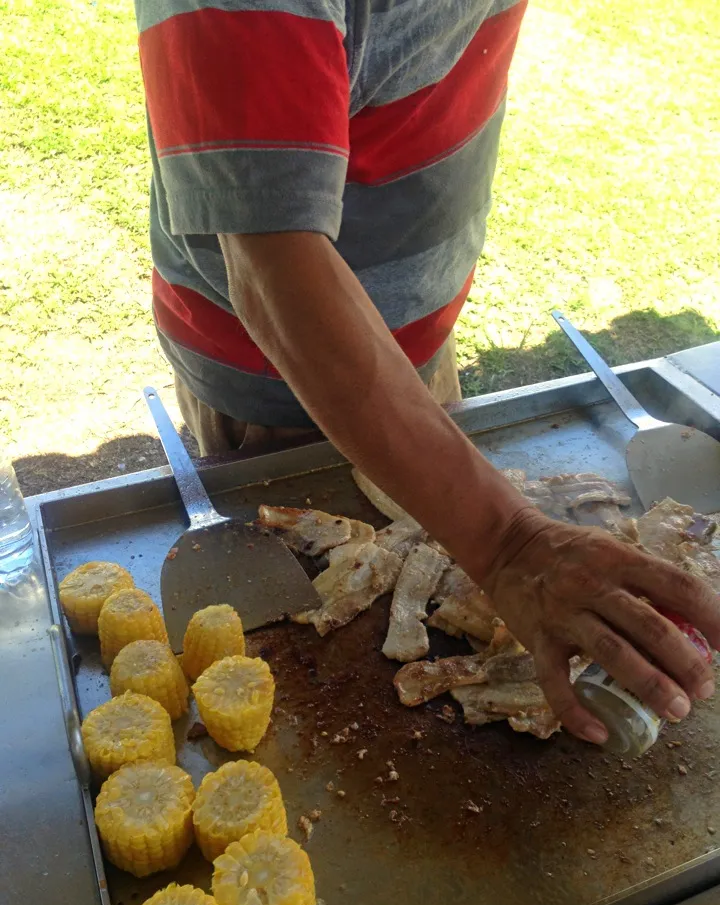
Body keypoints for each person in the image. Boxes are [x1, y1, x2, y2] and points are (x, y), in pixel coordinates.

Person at [132, 0, 719, 744]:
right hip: (280, 385)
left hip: (418, 358)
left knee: (441, 538)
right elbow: (273, 265)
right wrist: (507, 540)